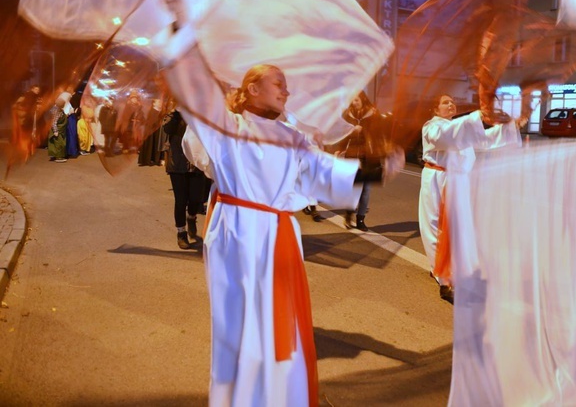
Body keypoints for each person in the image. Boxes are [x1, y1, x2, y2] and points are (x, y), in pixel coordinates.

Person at [165, 60, 404, 406]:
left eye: (286, 85)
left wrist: (375, 171)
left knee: (281, 326)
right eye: (278, 83)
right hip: (236, 234)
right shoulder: (227, 126)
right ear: (252, 89)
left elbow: (326, 172)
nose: (286, 90)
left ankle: (278, 395)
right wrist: (184, 36)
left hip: (277, 235)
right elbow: (196, 96)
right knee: (241, 326)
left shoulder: (292, 138)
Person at [419, 94, 519, 303]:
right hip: (439, 179)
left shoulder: (458, 128)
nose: (451, 104)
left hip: (457, 181)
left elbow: (484, 140)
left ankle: (445, 269)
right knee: (438, 226)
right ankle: (444, 279)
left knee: (458, 227)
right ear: (434, 109)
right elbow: (444, 138)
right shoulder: (432, 126)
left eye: (452, 101)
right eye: (445, 101)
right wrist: (477, 116)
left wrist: (510, 126)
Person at [336, 92, 384, 231]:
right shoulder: (348, 114)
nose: (354, 103)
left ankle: (361, 219)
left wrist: (364, 131)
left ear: (363, 99)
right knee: (353, 188)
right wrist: (340, 148)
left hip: (369, 156)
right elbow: (342, 133)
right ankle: (348, 215)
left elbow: (379, 134)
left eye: (356, 100)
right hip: (352, 155)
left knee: (366, 190)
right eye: (352, 100)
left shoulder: (374, 114)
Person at [162, 110, 205, 250]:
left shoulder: (199, 110)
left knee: (195, 198)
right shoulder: (173, 112)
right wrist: (177, 114)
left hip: (196, 162)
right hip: (177, 162)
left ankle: (191, 217)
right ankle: (181, 233)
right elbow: (167, 129)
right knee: (180, 200)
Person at [47, 94, 68, 163]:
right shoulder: (57, 111)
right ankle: (59, 157)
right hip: (57, 130)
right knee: (60, 143)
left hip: (58, 129)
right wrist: (55, 131)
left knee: (54, 143)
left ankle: (54, 155)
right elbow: (54, 122)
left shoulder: (56, 109)